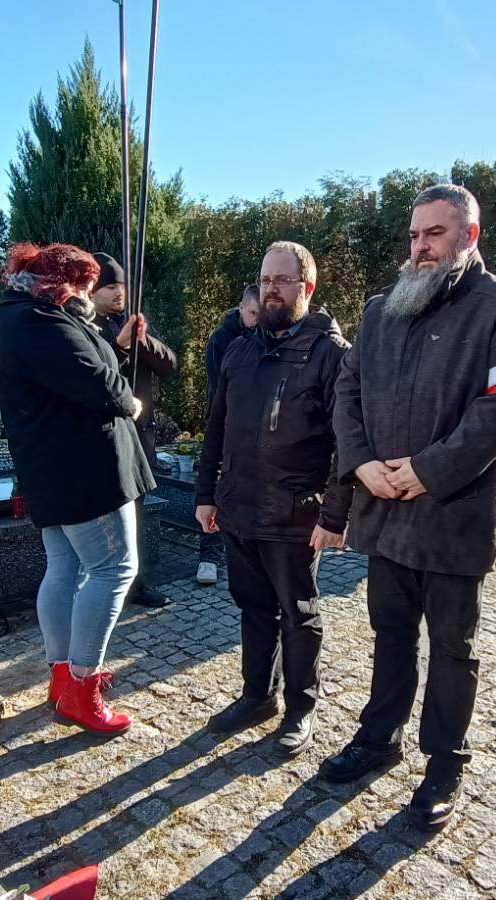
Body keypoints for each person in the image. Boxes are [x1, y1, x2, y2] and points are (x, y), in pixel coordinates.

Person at [325, 183, 496, 833]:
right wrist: (361, 463)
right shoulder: (381, 309)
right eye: (415, 234)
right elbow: (347, 390)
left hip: (454, 513)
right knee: (390, 635)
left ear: (468, 236)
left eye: (435, 233)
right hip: (386, 509)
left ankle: (445, 764)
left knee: (452, 648)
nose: (420, 247)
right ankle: (378, 737)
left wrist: (428, 471)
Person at [194, 243, 350, 756]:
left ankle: (300, 710)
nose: (271, 290)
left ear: (307, 287)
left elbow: (348, 443)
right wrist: (206, 493)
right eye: (264, 280)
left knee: (299, 615)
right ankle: (257, 696)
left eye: (282, 280)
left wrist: (334, 514)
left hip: (294, 514)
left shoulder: (331, 355)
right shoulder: (239, 351)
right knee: (254, 609)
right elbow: (216, 427)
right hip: (239, 508)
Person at [0, 243, 152, 735]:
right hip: (83, 468)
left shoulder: (22, 314)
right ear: (62, 283)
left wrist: (115, 345)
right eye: (84, 286)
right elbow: (96, 382)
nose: (87, 295)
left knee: (64, 567)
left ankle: (62, 677)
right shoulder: (41, 321)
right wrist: (130, 403)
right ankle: (82, 688)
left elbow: (78, 365)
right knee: (113, 568)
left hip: (53, 467)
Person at [92, 251, 178, 608]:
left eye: (122, 285)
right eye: (109, 286)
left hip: (140, 434)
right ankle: (106, 580)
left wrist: (143, 339)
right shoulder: (87, 326)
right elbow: (98, 377)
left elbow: (169, 365)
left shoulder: (131, 322)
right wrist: (121, 345)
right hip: (106, 437)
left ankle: (136, 583)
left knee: (137, 512)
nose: (118, 292)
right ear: (92, 291)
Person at [195, 284, 262, 586]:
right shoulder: (222, 339)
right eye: (253, 314)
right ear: (241, 308)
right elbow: (222, 387)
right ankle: (208, 554)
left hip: (257, 426)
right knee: (217, 483)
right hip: (224, 421)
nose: (258, 321)